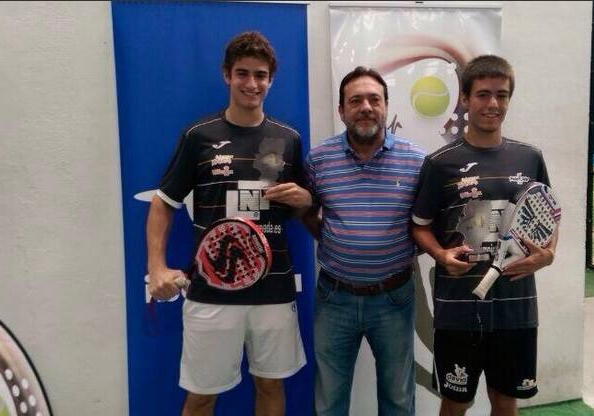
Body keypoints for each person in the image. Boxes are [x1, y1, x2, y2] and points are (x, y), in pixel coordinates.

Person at [146, 31, 311, 416]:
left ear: (271, 79)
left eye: (260, 75)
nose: (252, 83)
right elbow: (162, 203)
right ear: (226, 75)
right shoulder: (199, 136)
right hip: (212, 293)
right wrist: (156, 267)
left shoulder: (288, 139)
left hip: (273, 291)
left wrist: (305, 200)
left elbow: (304, 204)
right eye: (242, 73)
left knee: (270, 386)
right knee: (201, 396)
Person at [410, 55, 558, 416]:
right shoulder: (439, 163)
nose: (493, 104)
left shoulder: (530, 157)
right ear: (465, 99)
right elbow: (419, 225)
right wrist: (441, 256)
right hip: (457, 310)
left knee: (505, 401)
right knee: (456, 403)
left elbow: (548, 216)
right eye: (483, 94)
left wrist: (548, 254)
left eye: (502, 95)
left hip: (516, 309)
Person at [304, 66, 426, 415]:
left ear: (386, 106)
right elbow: (308, 214)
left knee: (398, 399)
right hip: (335, 298)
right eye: (355, 100)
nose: (366, 107)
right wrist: (337, 242)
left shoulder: (417, 161)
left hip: (394, 297)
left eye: (374, 99)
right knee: (328, 400)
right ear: (341, 110)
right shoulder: (319, 159)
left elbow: (425, 225)